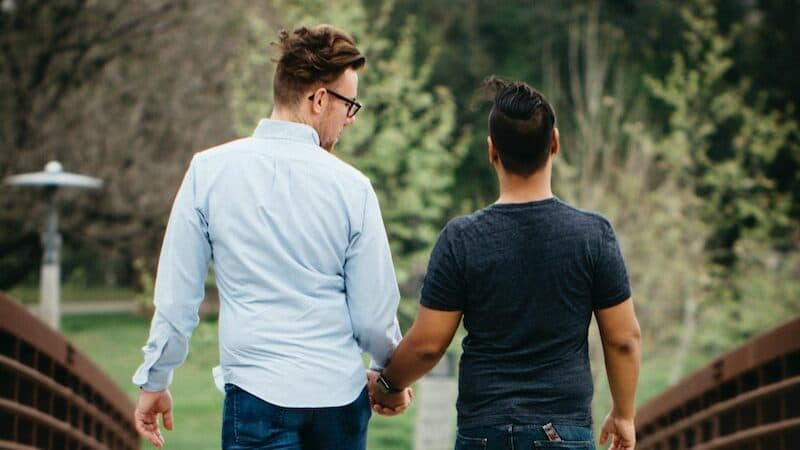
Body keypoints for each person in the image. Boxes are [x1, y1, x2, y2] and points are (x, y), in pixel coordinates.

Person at [132, 24, 410, 450]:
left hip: (258, 395)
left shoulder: (208, 172)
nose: (349, 120)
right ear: (319, 99)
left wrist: (156, 378)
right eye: (349, 105)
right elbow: (375, 317)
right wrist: (389, 378)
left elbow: (176, 299)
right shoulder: (353, 187)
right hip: (338, 399)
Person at [369, 77, 641, 450]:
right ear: (555, 143)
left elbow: (428, 345)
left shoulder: (461, 239)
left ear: (492, 150)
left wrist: (388, 385)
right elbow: (624, 338)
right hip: (562, 430)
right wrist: (623, 413)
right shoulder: (592, 234)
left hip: (485, 431)